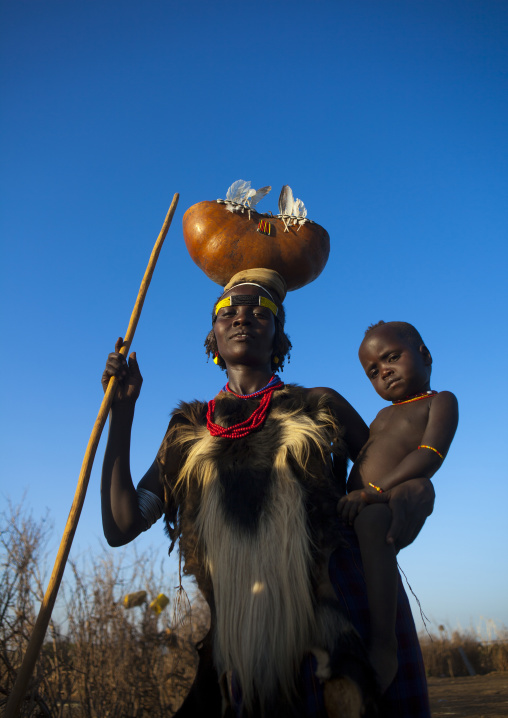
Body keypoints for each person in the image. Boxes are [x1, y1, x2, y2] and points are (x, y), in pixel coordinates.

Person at [101, 274, 434, 717]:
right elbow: (121, 525)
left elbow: (383, 475)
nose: (243, 317)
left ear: (279, 336)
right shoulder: (188, 431)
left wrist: (415, 492)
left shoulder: (320, 405)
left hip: (342, 617)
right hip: (247, 640)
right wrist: (122, 412)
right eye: (228, 312)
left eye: (261, 312)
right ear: (213, 339)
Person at [338, 321, 458, 693]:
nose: (384, 371)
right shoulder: (380, 416)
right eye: (373, 371)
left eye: (392, 358)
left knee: (374, 525)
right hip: (354, 503)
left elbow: (430, 454)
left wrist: (377, 490)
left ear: (424, 355)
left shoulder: (440, 401)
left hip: (383, 501)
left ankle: (385, 641)